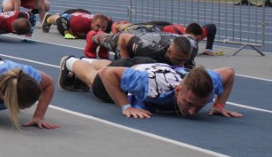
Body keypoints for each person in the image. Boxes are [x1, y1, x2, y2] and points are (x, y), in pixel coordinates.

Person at [58, 55, 242, 119]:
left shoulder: (208, 84)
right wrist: (125, 106)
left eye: (200, 105)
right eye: (188, 103)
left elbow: (230, 72)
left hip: (149, 66)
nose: (193, 111)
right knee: (95, 79)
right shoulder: (151, 86)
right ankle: (71, 62)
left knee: (118, 65)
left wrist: (218, 105)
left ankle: (90, 60)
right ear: (178, 90)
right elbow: (109, 74)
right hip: (141, 74)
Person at [92, 30, 198, 68]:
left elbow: (191, 36)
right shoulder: (148, 49)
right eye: (178, 60)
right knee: (108, 41)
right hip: (135, 36)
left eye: (185, 60)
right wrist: (126, 65)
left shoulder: (192, 47)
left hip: (157, 32)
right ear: (169, 51)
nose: (181, 64)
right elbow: (123, 38)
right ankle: (92, 35)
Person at [41, 9, 112, 39]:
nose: (100, 30)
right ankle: (49, 18)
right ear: (92, 23)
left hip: (83, 13)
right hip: (69, 15)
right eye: (98, 26)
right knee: (60, 22)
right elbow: (64, 18)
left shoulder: (107, 25)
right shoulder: (79, 24)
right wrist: (66, 32)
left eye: (103, 27)